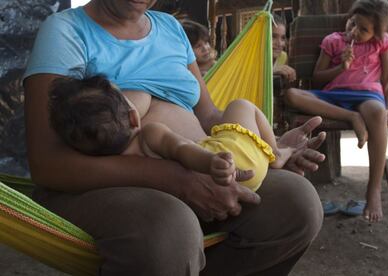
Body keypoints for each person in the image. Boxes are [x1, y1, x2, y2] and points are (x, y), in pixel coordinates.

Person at [23, 0, 326, 274]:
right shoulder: (65, 32)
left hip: (203, 159)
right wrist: (177, 178)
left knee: (297, 202)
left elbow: (209, 117)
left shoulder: (169, 28)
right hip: (105, 184)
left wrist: (266, 147)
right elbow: (48, 164)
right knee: (168, 230)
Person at [48, 75, 294, 191]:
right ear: (134, 117)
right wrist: (212, 163)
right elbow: (184, 150)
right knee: (240, 105)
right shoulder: (150, 133)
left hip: (223, 174)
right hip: (232, 161)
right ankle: (276, 151)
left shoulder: (112, 162)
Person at [284, 0, 388, 223]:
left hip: (367, 95)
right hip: (333, 96)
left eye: (363, 29)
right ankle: (352, 117)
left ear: (376, 33)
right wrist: (341, 68)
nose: (354, 31)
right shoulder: (333, 40)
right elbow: (317, 77)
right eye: (352, 23)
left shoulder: (381, 43)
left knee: (378, 113)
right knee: (291, 95)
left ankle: (373, 190)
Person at [272, 14, 296, 82]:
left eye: (283, 38)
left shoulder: (283, 57)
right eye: (273, 37)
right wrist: (273, 72)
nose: (279, 44)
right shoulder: (252, 58)